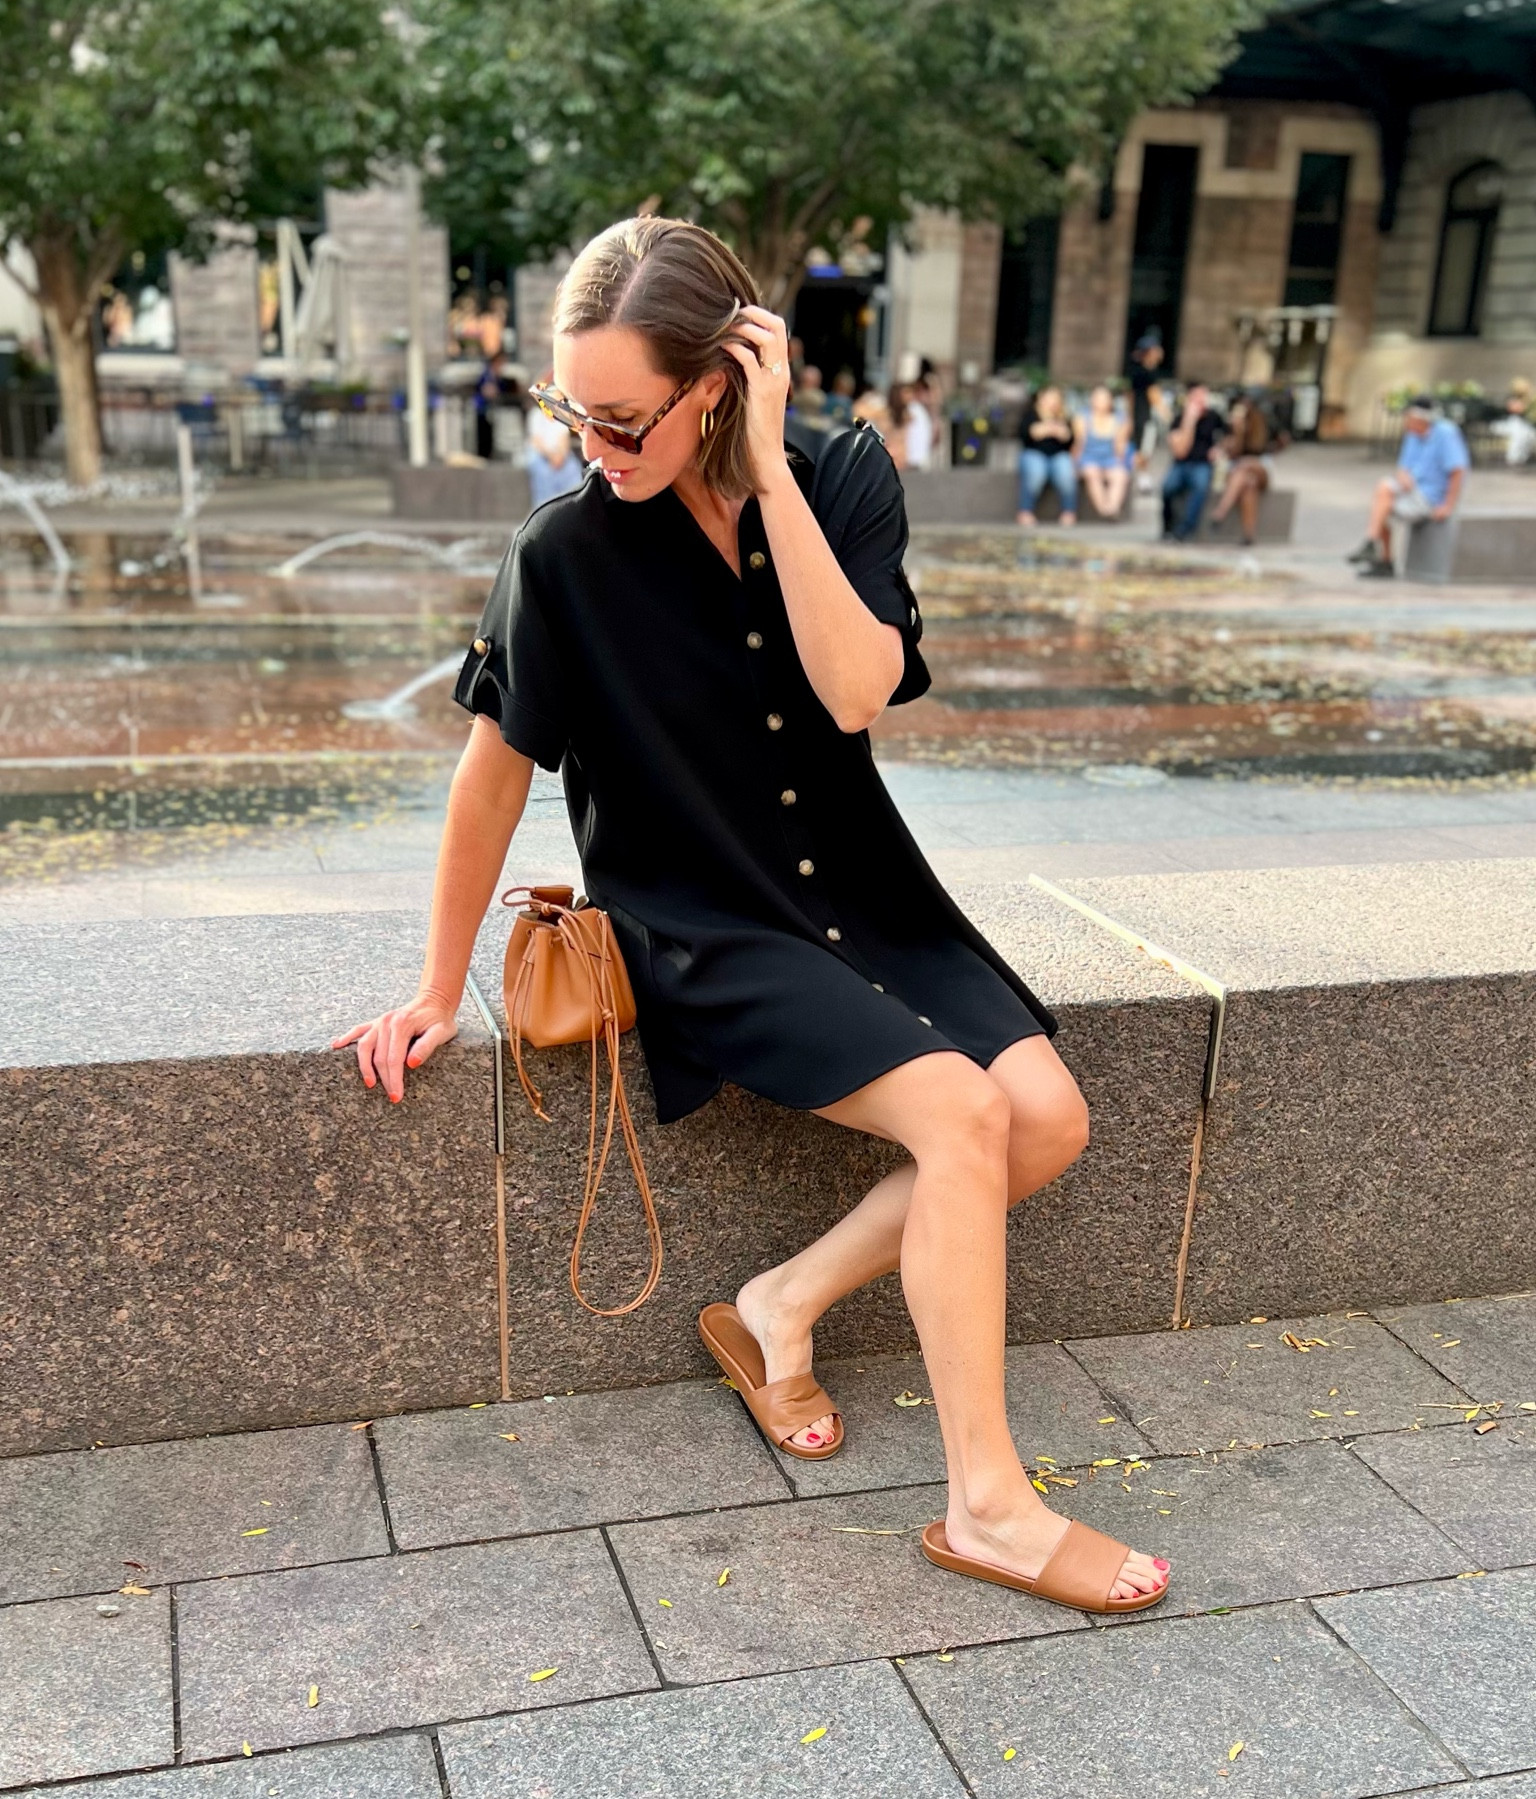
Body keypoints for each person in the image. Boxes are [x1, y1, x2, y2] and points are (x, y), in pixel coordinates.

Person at [333, 215, 1168, 1613]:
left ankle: (779, 1302)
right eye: (571, 411)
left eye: (623, 417)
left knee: (1050, 1119)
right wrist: (435, 984)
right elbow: (489, 783)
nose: (592, 444)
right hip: (701, 922)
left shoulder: (838, 477)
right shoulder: (564, 555)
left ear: (720, 382)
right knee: (966, 1113)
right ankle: (988, 1503)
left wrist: (771, 473)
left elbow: (856, 690)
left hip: (868, 897)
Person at [1349, 395, 1469, 579]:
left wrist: (1447, 505)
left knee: (1382, 501)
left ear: (1421, 418)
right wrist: (1403, 477)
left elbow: (1457, 470)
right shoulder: (1412, 435)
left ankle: (1377, 551)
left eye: (1409, 417)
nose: (1406, 422)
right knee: (1382, 496)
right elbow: (1403, 467)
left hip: (1430, 496)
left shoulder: (1445, 433)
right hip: (1411, 490)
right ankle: (1375, 547)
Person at [1207, 393, 1274, 546]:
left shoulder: (1259, 426)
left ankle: (1220, 512)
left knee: (1245, 464)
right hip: (1243, 475)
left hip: (1260, 468)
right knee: (1248, 485)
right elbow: (1232, 454)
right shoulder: (1231, 429)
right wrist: (1237, 433)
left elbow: (1257, 450)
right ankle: (1248, 534)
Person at [1160, 381, 1222, 541]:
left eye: (1203, 396)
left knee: (1200, 487)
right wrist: (1189, 422)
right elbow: (1181, 451)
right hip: (1181, 463)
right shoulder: (1179, 419)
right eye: (1197, 397)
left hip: (1202, 463)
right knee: (1167, 487)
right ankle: (1167, 526)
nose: (1201, 401)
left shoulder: (1213, 417)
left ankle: (1186, 528)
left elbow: (1226, 437)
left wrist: (1218, 449)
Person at [524, 366, 586, 507]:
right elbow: (537, 441)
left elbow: (563, 440)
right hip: (542, 455)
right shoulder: (535, 415)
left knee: (572, 468)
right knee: (542, 471)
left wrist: (560, 456)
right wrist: (551, 457)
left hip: (559, 455)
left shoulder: (559, 416)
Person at [1017, 385, 1079, 526]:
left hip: (1059, 455)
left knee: (1066, 471)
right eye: (1049, 398)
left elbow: (1071, 440)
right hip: (1034, 454)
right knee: (1036, 471)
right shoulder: (1031, 415)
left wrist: (1063, 434)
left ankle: (1069, 511)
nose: (1052, 402)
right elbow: (1024, 435)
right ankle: (1025, 510)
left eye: (1056, 398)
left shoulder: (1065, 417)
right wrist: (1043, 430)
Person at [1075, 384, 1131, 521]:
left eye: (1104, 398)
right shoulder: (1082, 417)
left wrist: (1123, 462)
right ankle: (1103, 509)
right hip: (1088, 457)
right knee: (1092, 473)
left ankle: (1112, 508)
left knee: (1120, 475)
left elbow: (1120, 445)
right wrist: (1074, 463)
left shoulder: (1121, 418)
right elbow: (1079, 443)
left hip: (1110, 457)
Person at [1128, 332, 1166, 494]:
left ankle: (1141, 476)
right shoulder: (1147, 373)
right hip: (1146, 416)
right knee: (1144, 449)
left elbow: (1130, 397)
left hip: (1138, 415)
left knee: (1141, 448)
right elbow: (1154, 396)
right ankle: (1141, 478)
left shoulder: (1136, 371)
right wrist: (1167, 416)